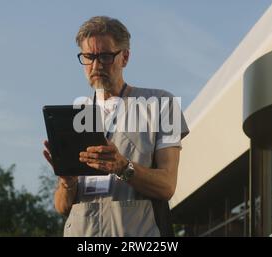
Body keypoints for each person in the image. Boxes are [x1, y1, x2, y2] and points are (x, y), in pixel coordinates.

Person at [43, 16, 189, 237]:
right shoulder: (77, 115)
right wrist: (67, 182)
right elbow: (62, 207)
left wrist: (123, 167)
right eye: (88, 57)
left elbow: (167, 186)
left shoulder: (161, 104)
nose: (95, 65)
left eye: (104, 56)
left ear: (125, 57)